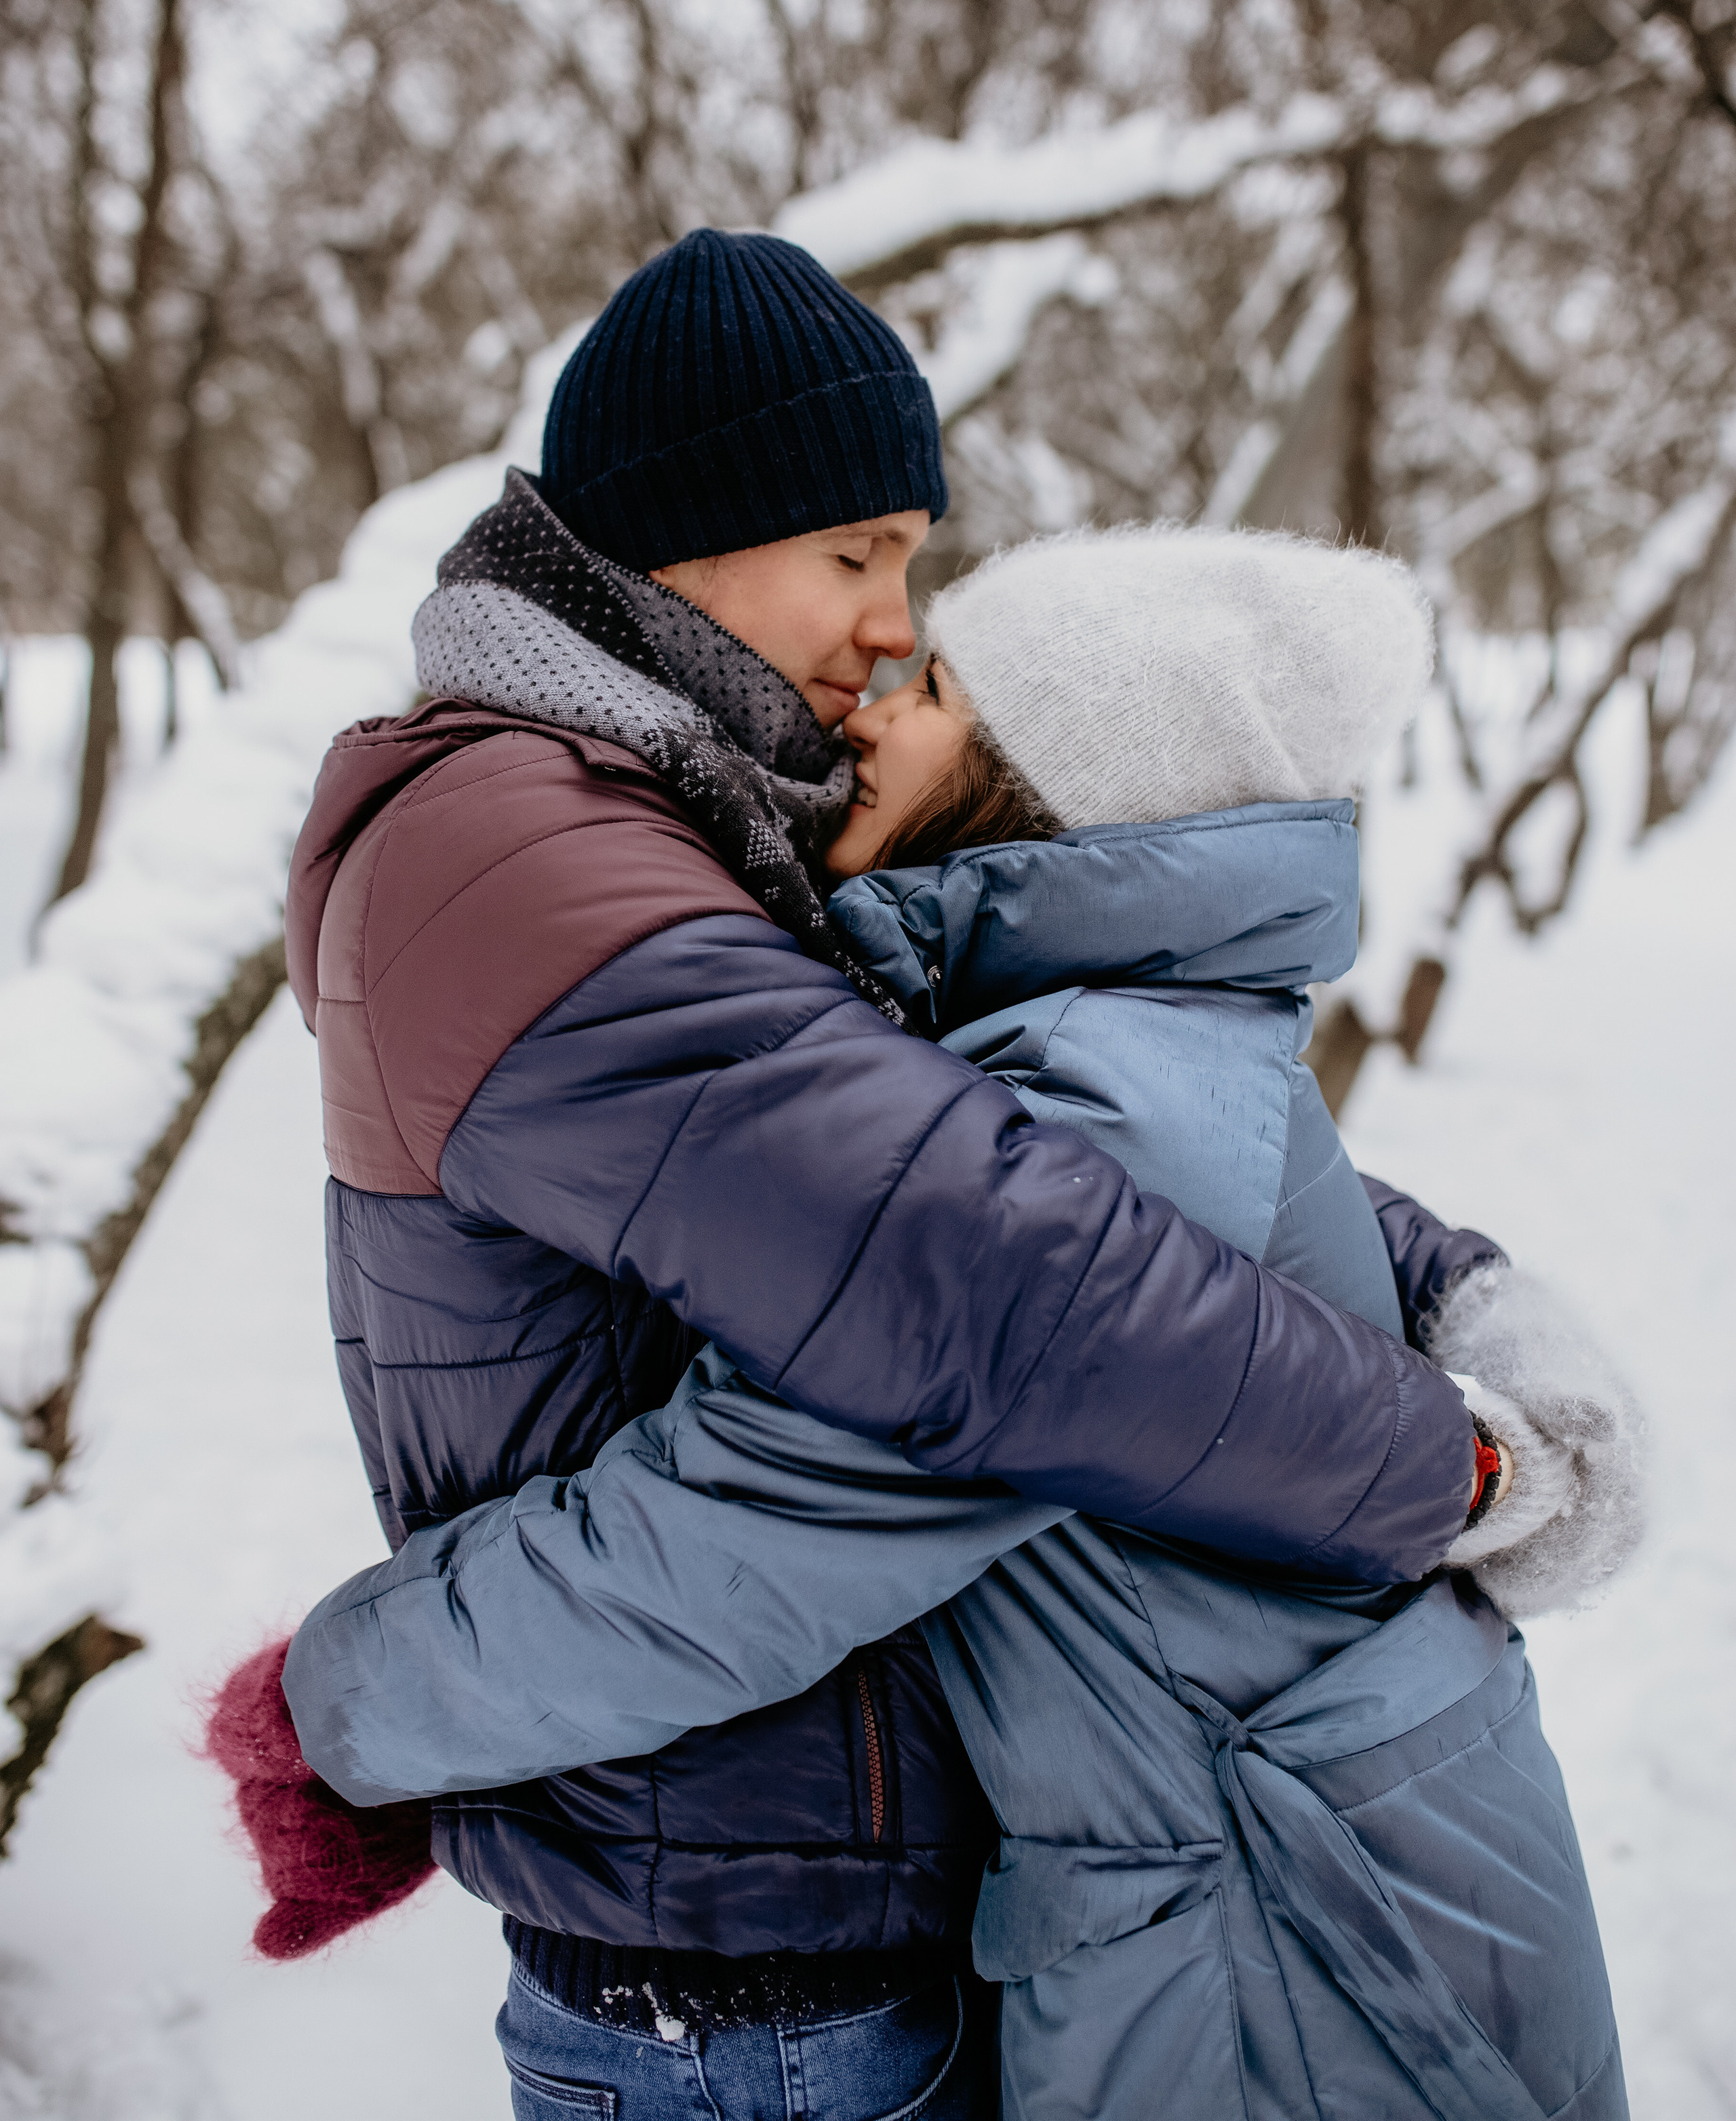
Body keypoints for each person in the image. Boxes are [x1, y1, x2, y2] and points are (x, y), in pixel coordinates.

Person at [214, 232, 1512, 2120]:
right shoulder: (527, 856)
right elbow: (1009, 1293)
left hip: (805, 1927)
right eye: (858, 554)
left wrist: (1446, 1281)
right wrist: (1438, 1461)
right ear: (686, 538)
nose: (897, 622)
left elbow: (1029, 1148)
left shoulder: (665, 821)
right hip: (740, 2002)